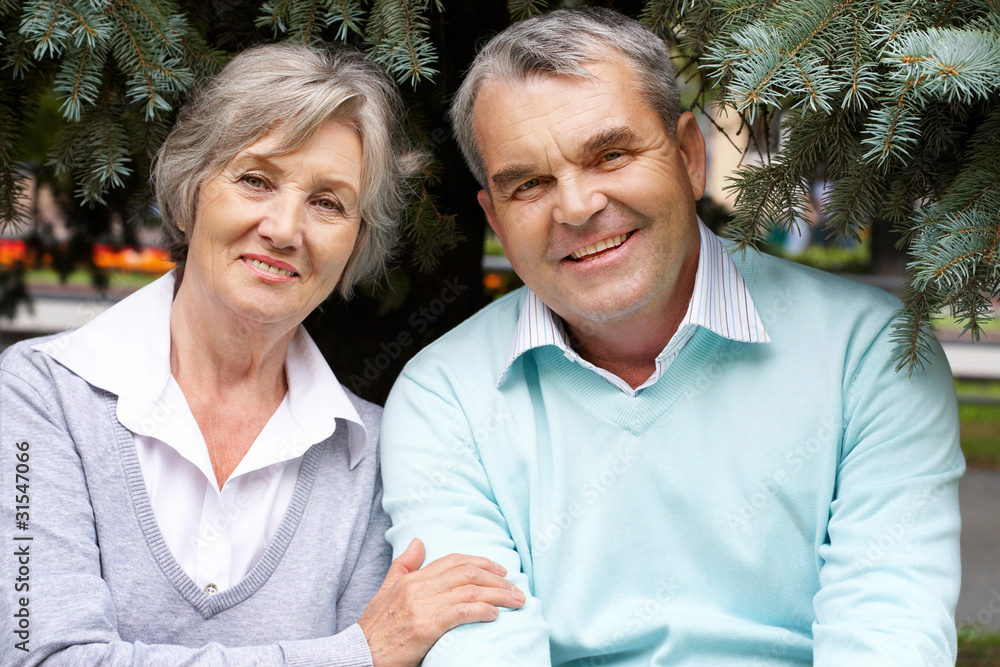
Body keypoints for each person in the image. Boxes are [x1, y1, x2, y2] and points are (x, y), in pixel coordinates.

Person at [379, 8, 963, 665]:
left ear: (689, 155)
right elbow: (482, 648)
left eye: (611, 154)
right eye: (530, 183)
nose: (576, 206)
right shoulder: (442, 394)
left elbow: (888, 628)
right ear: (494, 215)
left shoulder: (872, 352)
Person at [0, 43, 523, 666]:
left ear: (356, 244)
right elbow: (44, 657)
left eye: (328, 203)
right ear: (191, 193)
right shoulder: (40, 397)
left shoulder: (370, 453)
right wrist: (356, 653)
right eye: (255, 180)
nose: (283, 228)